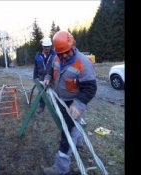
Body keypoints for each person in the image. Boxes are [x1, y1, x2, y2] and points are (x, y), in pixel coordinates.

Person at [42, 31, 97, 175]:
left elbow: (90, 88)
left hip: (74, 102)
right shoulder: (56, 58)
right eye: (61, 53)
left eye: (67, 52)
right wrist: (48, 77)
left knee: (67, 134)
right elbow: (50, 70)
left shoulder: (84, 64)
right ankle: (78, 143)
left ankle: (60, 168)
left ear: (73, 46)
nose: (64, 56)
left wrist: (78, 104)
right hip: (60, 99)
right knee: (72, 127)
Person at [33, 37, 56, 114]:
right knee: (41, 92)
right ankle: (41, 106)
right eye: (45, 47)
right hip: (41, 78)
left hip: (52, 78)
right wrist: (35, 77)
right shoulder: (37, 56)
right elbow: (35, 67)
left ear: (50, 46)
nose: (47, 48)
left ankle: (56, 107)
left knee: (55, 93)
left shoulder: (55, 55)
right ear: (42, 47)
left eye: (48, 46)